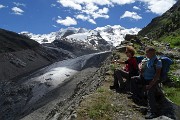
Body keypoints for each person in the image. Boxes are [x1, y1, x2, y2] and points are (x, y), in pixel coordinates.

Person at [131, 46, 162, 119]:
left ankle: (152, 112)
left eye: (147, 53)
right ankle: (137, 96)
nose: (146, 54)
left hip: (151, 80)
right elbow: (140, 63)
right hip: (143, 78)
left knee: (150, 92)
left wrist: (150, 85)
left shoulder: (158, 62)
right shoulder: (147, 58)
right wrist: (140, 67)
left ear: (152, 53)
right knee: (133, 79)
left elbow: (157, 75)